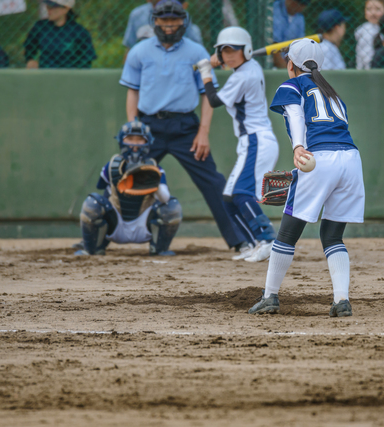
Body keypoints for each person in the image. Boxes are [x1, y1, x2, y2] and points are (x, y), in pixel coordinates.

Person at [248, 39, 365, 317]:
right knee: (332, 235)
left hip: (318, 159)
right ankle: (341, 300)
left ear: (291, 65)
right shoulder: (333, 93)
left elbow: (296, 115)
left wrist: (298, 146)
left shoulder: (291, 85)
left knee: (287, 233)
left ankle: (270, 297)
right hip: (350, 160)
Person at [120, 0, 247, 252]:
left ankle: (241, 240)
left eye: (175, 20)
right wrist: (133, 126)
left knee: (213, 182)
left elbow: (206, 95)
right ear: (154, 22)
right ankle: (99, 237)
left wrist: (203, 132)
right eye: (164, 21)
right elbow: (133, 91)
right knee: (123, 175)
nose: (169, 26)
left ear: (184, 21)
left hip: (185, 127)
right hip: (147, 127)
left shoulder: (197, 52)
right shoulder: (139, 51)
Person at [196, 27, 279, 262]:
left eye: (234, 51)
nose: (229, 56)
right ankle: (254, 243)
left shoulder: (243, 75)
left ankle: (268, 240)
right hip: (250, 140)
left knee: (242, 194)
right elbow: (230, 67)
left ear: (247, 51)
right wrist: (218, 62)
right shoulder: (249, 67)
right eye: (224, 52)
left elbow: (212, 100)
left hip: (256, 139)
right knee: (229, 198)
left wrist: (206, 72)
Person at [76, 119, 182, 256]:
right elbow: (104, 196)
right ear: (121, 141)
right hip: (116, 225)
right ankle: (93, 247)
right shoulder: (112, 166)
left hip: (143, 225)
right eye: (130, 139)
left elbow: (165, 198)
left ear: (148, 143)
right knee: (93, 203)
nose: (135, 145)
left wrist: (152, 182)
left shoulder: (154, 168)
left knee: (172, 206)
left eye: (140, 140)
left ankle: (159, 248)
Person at [24, 0, 96, 69]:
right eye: (48, 6)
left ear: (66, 9)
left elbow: (87, 60)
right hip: (46, 76)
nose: (48, 9)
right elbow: (29, 48)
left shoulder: (79, 32)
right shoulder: (40, 27)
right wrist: (30, 60)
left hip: (70, 78)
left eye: (52, 6)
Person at [123, 0, 203, 53]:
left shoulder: (180, 13)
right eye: (164, 20)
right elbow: (130, 47)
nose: (169, 24)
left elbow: (195, 48)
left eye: (173, 19)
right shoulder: (137, 14)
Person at [272, 0, 310, 68]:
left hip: (290, 60)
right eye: (297, 2)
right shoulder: (275, 10)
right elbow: (274, 46)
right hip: (272, 62)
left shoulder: (300, 18)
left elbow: (299, 47)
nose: (300, 7)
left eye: (303, 5)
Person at [355, 0, 384, 70]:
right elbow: (365, 57)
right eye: (369, 9)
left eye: (377, 9)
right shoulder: (366, 31)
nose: (373, 13)